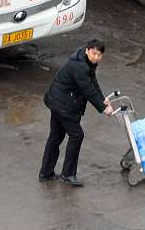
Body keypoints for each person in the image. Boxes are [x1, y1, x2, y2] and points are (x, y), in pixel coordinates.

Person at [39, 38, 114, 187]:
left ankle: (46, 173)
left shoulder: (85, 60)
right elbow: (87, 90)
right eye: (94, 54)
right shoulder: (79, 67)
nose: (96, 57)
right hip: (62, 104)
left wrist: (103, 99)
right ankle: (68, 174)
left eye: (99, 55)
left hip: (57, 100)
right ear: (87, 51)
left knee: (56, 136)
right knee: (76, 135)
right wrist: (103, 108)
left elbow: (93, 83)